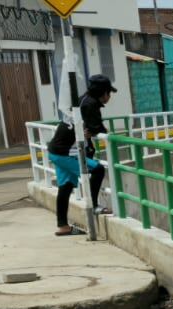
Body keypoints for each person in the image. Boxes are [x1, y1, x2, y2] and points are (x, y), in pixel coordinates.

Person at [46, 74, 116, 236]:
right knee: (97, 169)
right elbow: (95, 126)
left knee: (65, 187)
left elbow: (89, 127)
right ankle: (93, 205)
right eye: (109, 93)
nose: (109, 97)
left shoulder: (83, 100)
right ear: (103, 92)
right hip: (66, 153)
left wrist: (89, 131)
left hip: (58, 150)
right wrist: (103, 132)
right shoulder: (90, 104)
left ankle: (63, 226)